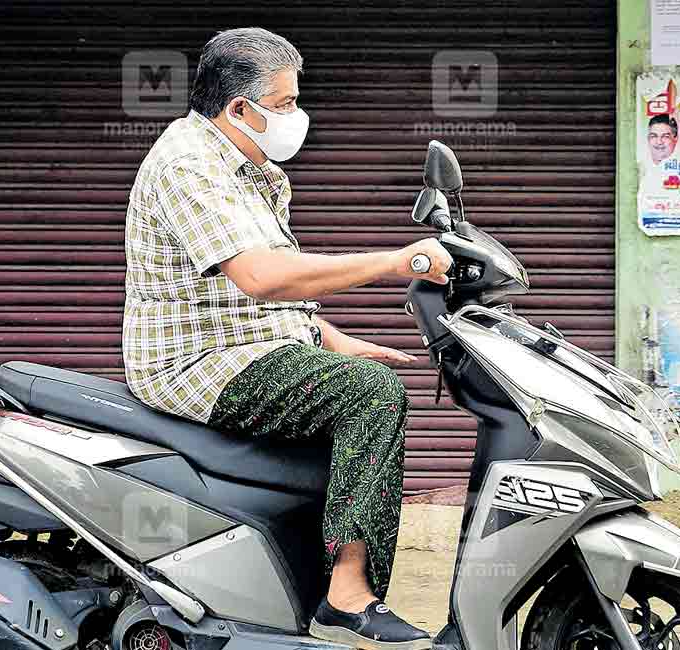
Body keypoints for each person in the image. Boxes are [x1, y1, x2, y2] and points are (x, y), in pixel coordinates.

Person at [124, 27, 450, 650]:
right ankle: (345, 597)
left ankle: (293, 577)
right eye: (283, 104)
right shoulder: (188, 164)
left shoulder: (249, 166)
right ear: (238, 109)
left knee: (362, 377)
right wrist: (396, 262)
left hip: (247, 345)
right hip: (196, 363)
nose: (296, 117)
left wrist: (327, 337)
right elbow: (259, 276)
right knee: (370, 394)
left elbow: (263, 295)